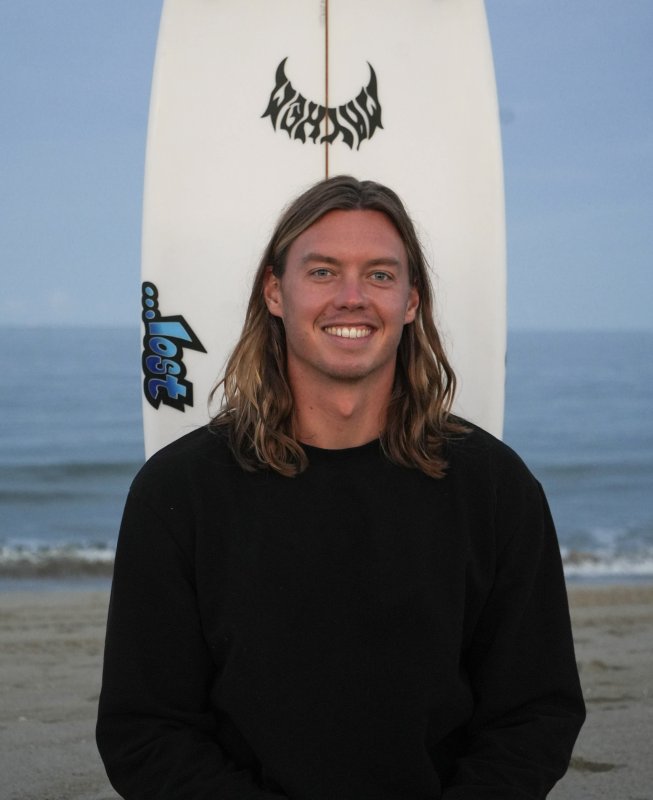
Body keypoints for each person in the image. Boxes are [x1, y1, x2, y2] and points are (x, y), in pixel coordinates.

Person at [97, 176, 585, 799]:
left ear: (411, 301)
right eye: (323, 272)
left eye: (380, 275)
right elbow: (145, 728)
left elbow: (535, 712)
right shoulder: (178, 492)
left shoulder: (494, 488)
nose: (352, 298)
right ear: (276, 292)